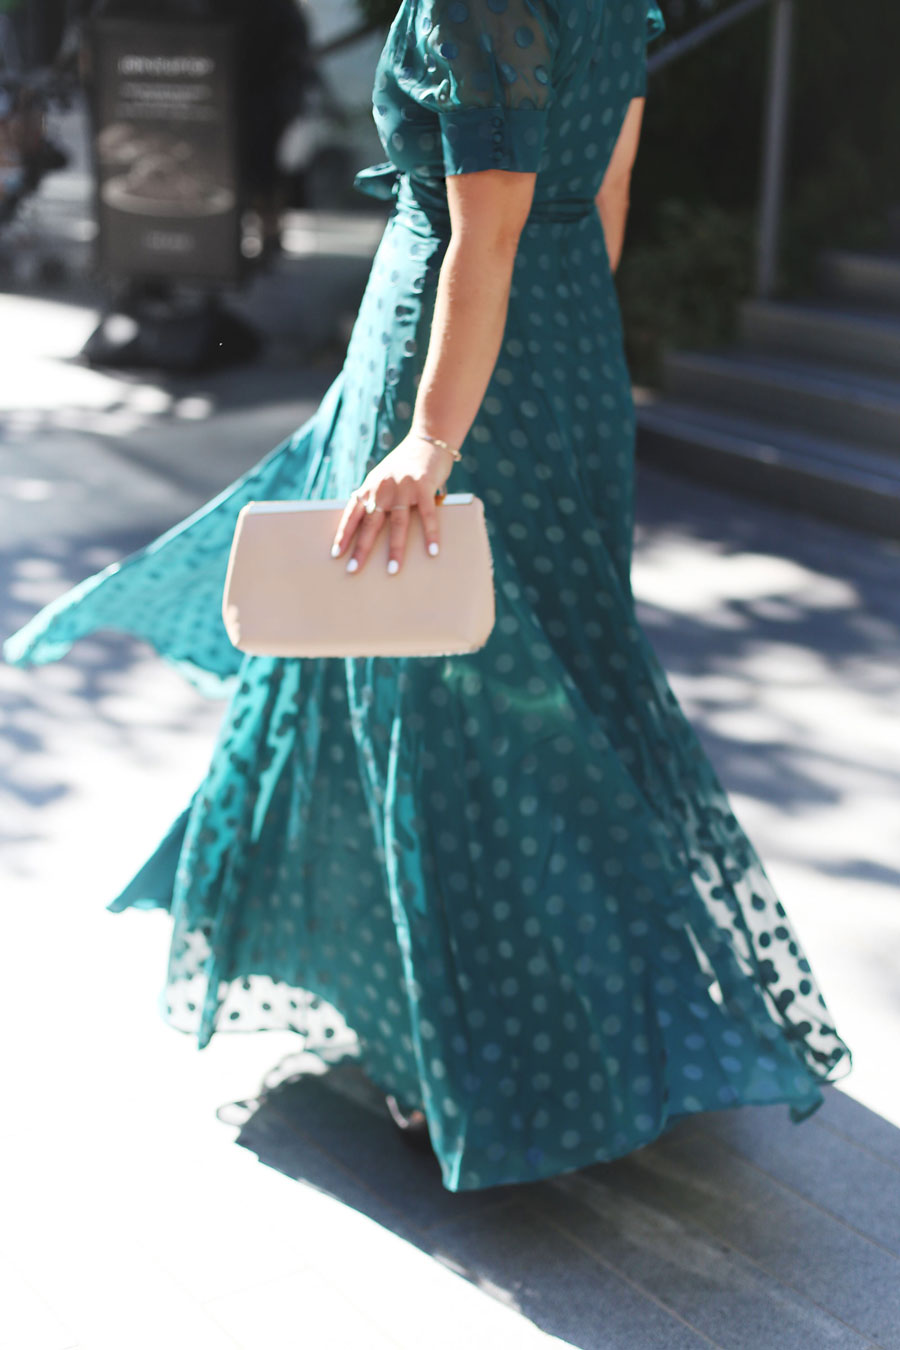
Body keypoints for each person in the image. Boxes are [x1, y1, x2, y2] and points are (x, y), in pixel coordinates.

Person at [3, 0, 852, 1193]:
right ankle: (584, 1007)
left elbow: (482, 236)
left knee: (417, 693)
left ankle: (458, 1044)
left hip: (446, 381)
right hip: (562, 355)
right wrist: (547, 362)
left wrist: (429, 441)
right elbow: (602, 205)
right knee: (554, 683)